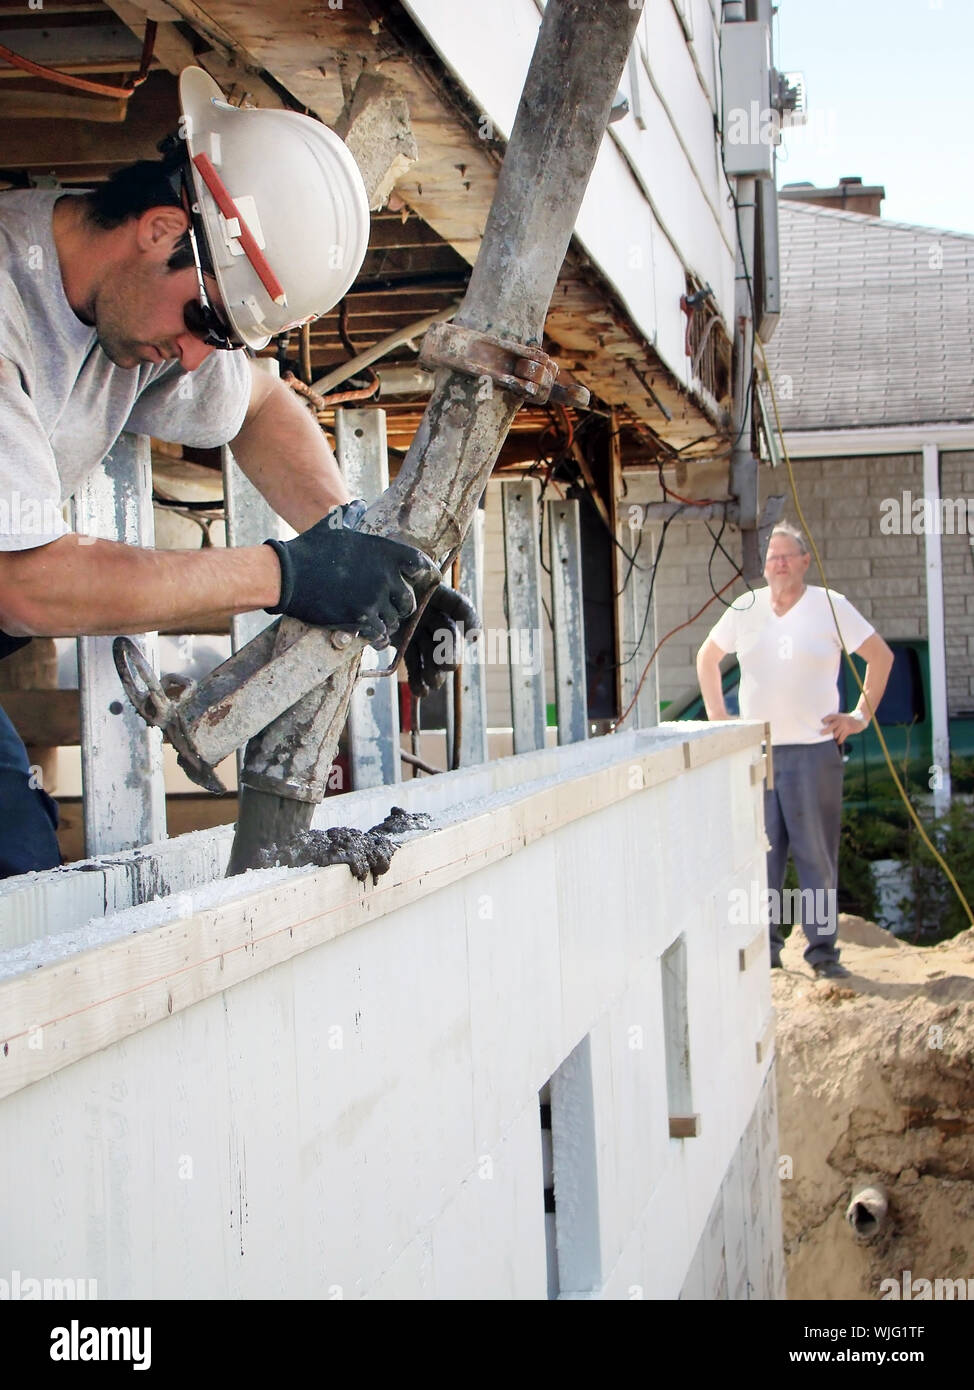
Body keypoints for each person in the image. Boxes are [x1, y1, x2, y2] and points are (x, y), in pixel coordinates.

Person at [0, 67, 473, 879]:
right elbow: (27, 585)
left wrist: (354, 553)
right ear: (157, 229)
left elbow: (262, 408)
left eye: (216, 339)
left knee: (20, 878)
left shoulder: (144, 315)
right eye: (205, 320)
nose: (190, 358)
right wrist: (285, 575)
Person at [695, 522, 893, 979]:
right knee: (759, 855)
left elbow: (880, 656)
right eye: (772, 557)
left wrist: (859, 716)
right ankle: (766, 952)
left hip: (813, 752)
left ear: (806, 561)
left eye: (787, 556)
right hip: (756, 755)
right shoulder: (746, 607)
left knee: (814, 856)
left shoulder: (830, 606)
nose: (778, 563)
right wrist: (720, 722)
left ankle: (823, 955)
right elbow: (707, 658)